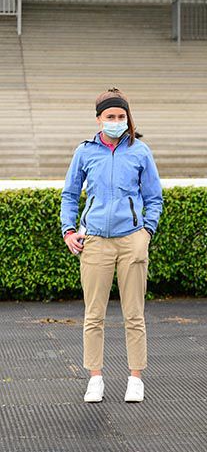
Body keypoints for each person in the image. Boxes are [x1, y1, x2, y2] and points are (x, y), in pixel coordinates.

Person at [60, 88, 163, 404]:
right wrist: (68, 230)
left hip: (131, 241)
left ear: (127, 118)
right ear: (99, 119)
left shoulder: (140, 151)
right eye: (110, 117)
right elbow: (69, 194)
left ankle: (135, 377)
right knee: (94, 315)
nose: (116, 122)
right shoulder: (85, 152)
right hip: (95, 244)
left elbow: (154, 198)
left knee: (134, 315)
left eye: (121, 117)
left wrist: (146, 233)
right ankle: (95, 378)